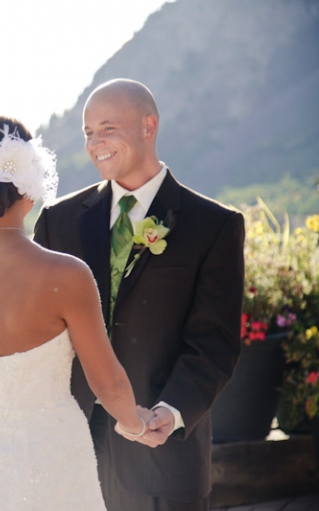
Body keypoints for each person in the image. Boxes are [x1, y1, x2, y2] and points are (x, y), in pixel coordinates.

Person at [0, 116, 152, 510]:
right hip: (50, 466)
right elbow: (107, 383)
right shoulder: (66, 275)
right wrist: (136, 425)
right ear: (27, 179)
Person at [33, 79, 245, 511]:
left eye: (107, 128)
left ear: (149, 126)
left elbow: (214, 342)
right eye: (88, 133)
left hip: (163, 454)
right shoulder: (58, 221)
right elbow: (34, 327)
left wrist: (172, 411)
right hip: (70, 452)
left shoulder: (214, 226)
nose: (96, 143)